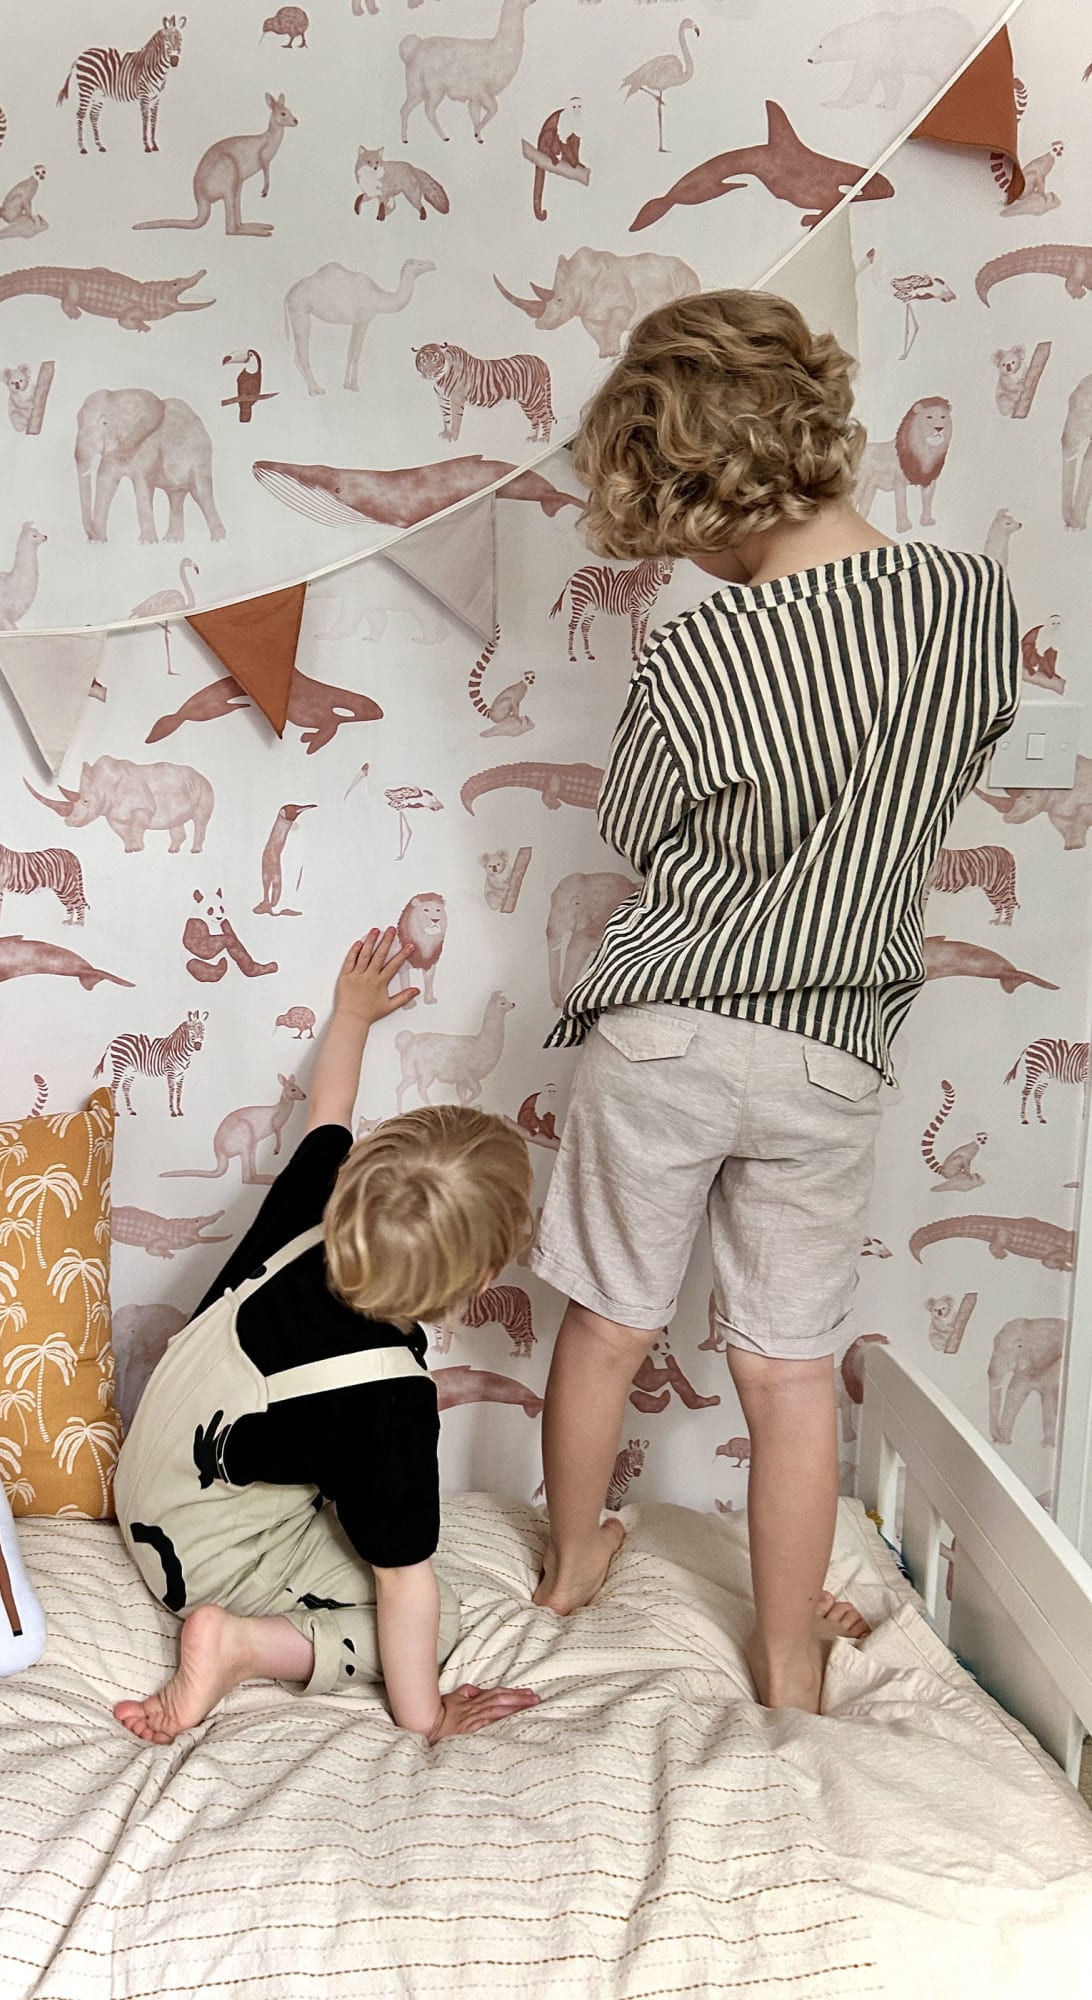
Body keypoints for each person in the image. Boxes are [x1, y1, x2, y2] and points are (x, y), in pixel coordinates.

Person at [529, 289, 1020, 1712]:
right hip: (831, 1044)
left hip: (669, 1023)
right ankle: (790, 1655)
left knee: (611, 1324)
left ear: (698, 494)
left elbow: (635, 824)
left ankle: (569, 1569)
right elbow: (969, 741)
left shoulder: (697, 653)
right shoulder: (965, 605)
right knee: (790, 1373)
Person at [114, 927, 541, 1744]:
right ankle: (238, 1645)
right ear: (478, 1285)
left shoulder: (309, 1209)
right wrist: (427, 1714)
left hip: (147, 1477)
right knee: (435, 1617)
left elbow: (330, 1109)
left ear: (359, 1178)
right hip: (197, 1558)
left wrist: (351, 1015)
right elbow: (404, 1579)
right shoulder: (393, 1402)